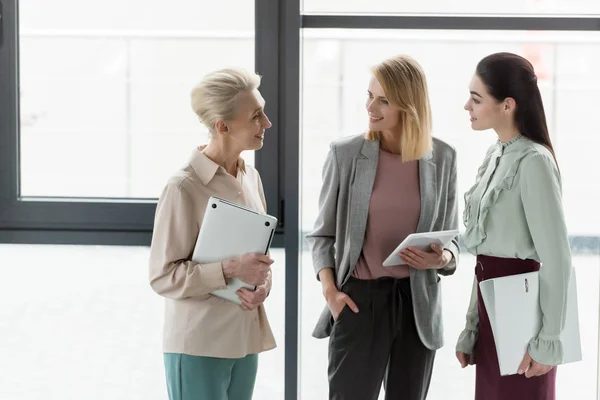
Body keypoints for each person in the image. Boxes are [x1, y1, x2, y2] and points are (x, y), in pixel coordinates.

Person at [306, 54, 459, 400]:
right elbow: (321, 236)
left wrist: (442, 258)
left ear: (409, 105)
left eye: (383, 100)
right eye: (369, 96)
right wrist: (331, 293)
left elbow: (452, 242)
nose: (370, 107)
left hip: (416, 305)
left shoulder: (444, 157)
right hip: (360, 299)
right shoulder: (345, 154)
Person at [148, 68, 276, 400]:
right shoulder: (184, 186)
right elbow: (163, 277)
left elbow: (257, 258)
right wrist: (231, 269)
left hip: (245, 339)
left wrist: (262, 286)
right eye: (256, 116)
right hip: (199, 344)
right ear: (223, 126)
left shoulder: (251, 176)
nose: (266, 123)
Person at [455, 52, 572, 400]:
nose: (467, 106)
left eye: (476, 99)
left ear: (507, 105)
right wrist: (472, 327)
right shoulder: (495, 154)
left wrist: (548, 342)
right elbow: (484, 258)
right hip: (491, 313)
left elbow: (557, 259)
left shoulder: (534, 161)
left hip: (523, 318)